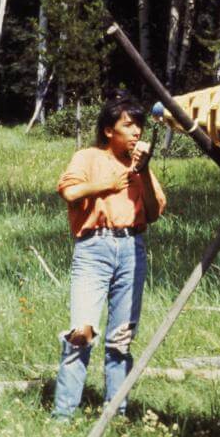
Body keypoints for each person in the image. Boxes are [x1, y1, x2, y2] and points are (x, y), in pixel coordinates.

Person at [52, 91, 166, 420]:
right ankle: (62, 418)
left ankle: (114, 415)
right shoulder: (88, 157)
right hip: (93, 248)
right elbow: (70, 191)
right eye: (128, 126)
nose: (136, 133)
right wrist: (106, 185)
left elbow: (154, 212)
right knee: (80, 334)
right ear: (108, 130)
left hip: (132, 249)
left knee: (121, 339)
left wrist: (142, 171)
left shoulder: (139, 165)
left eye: (139, 127)